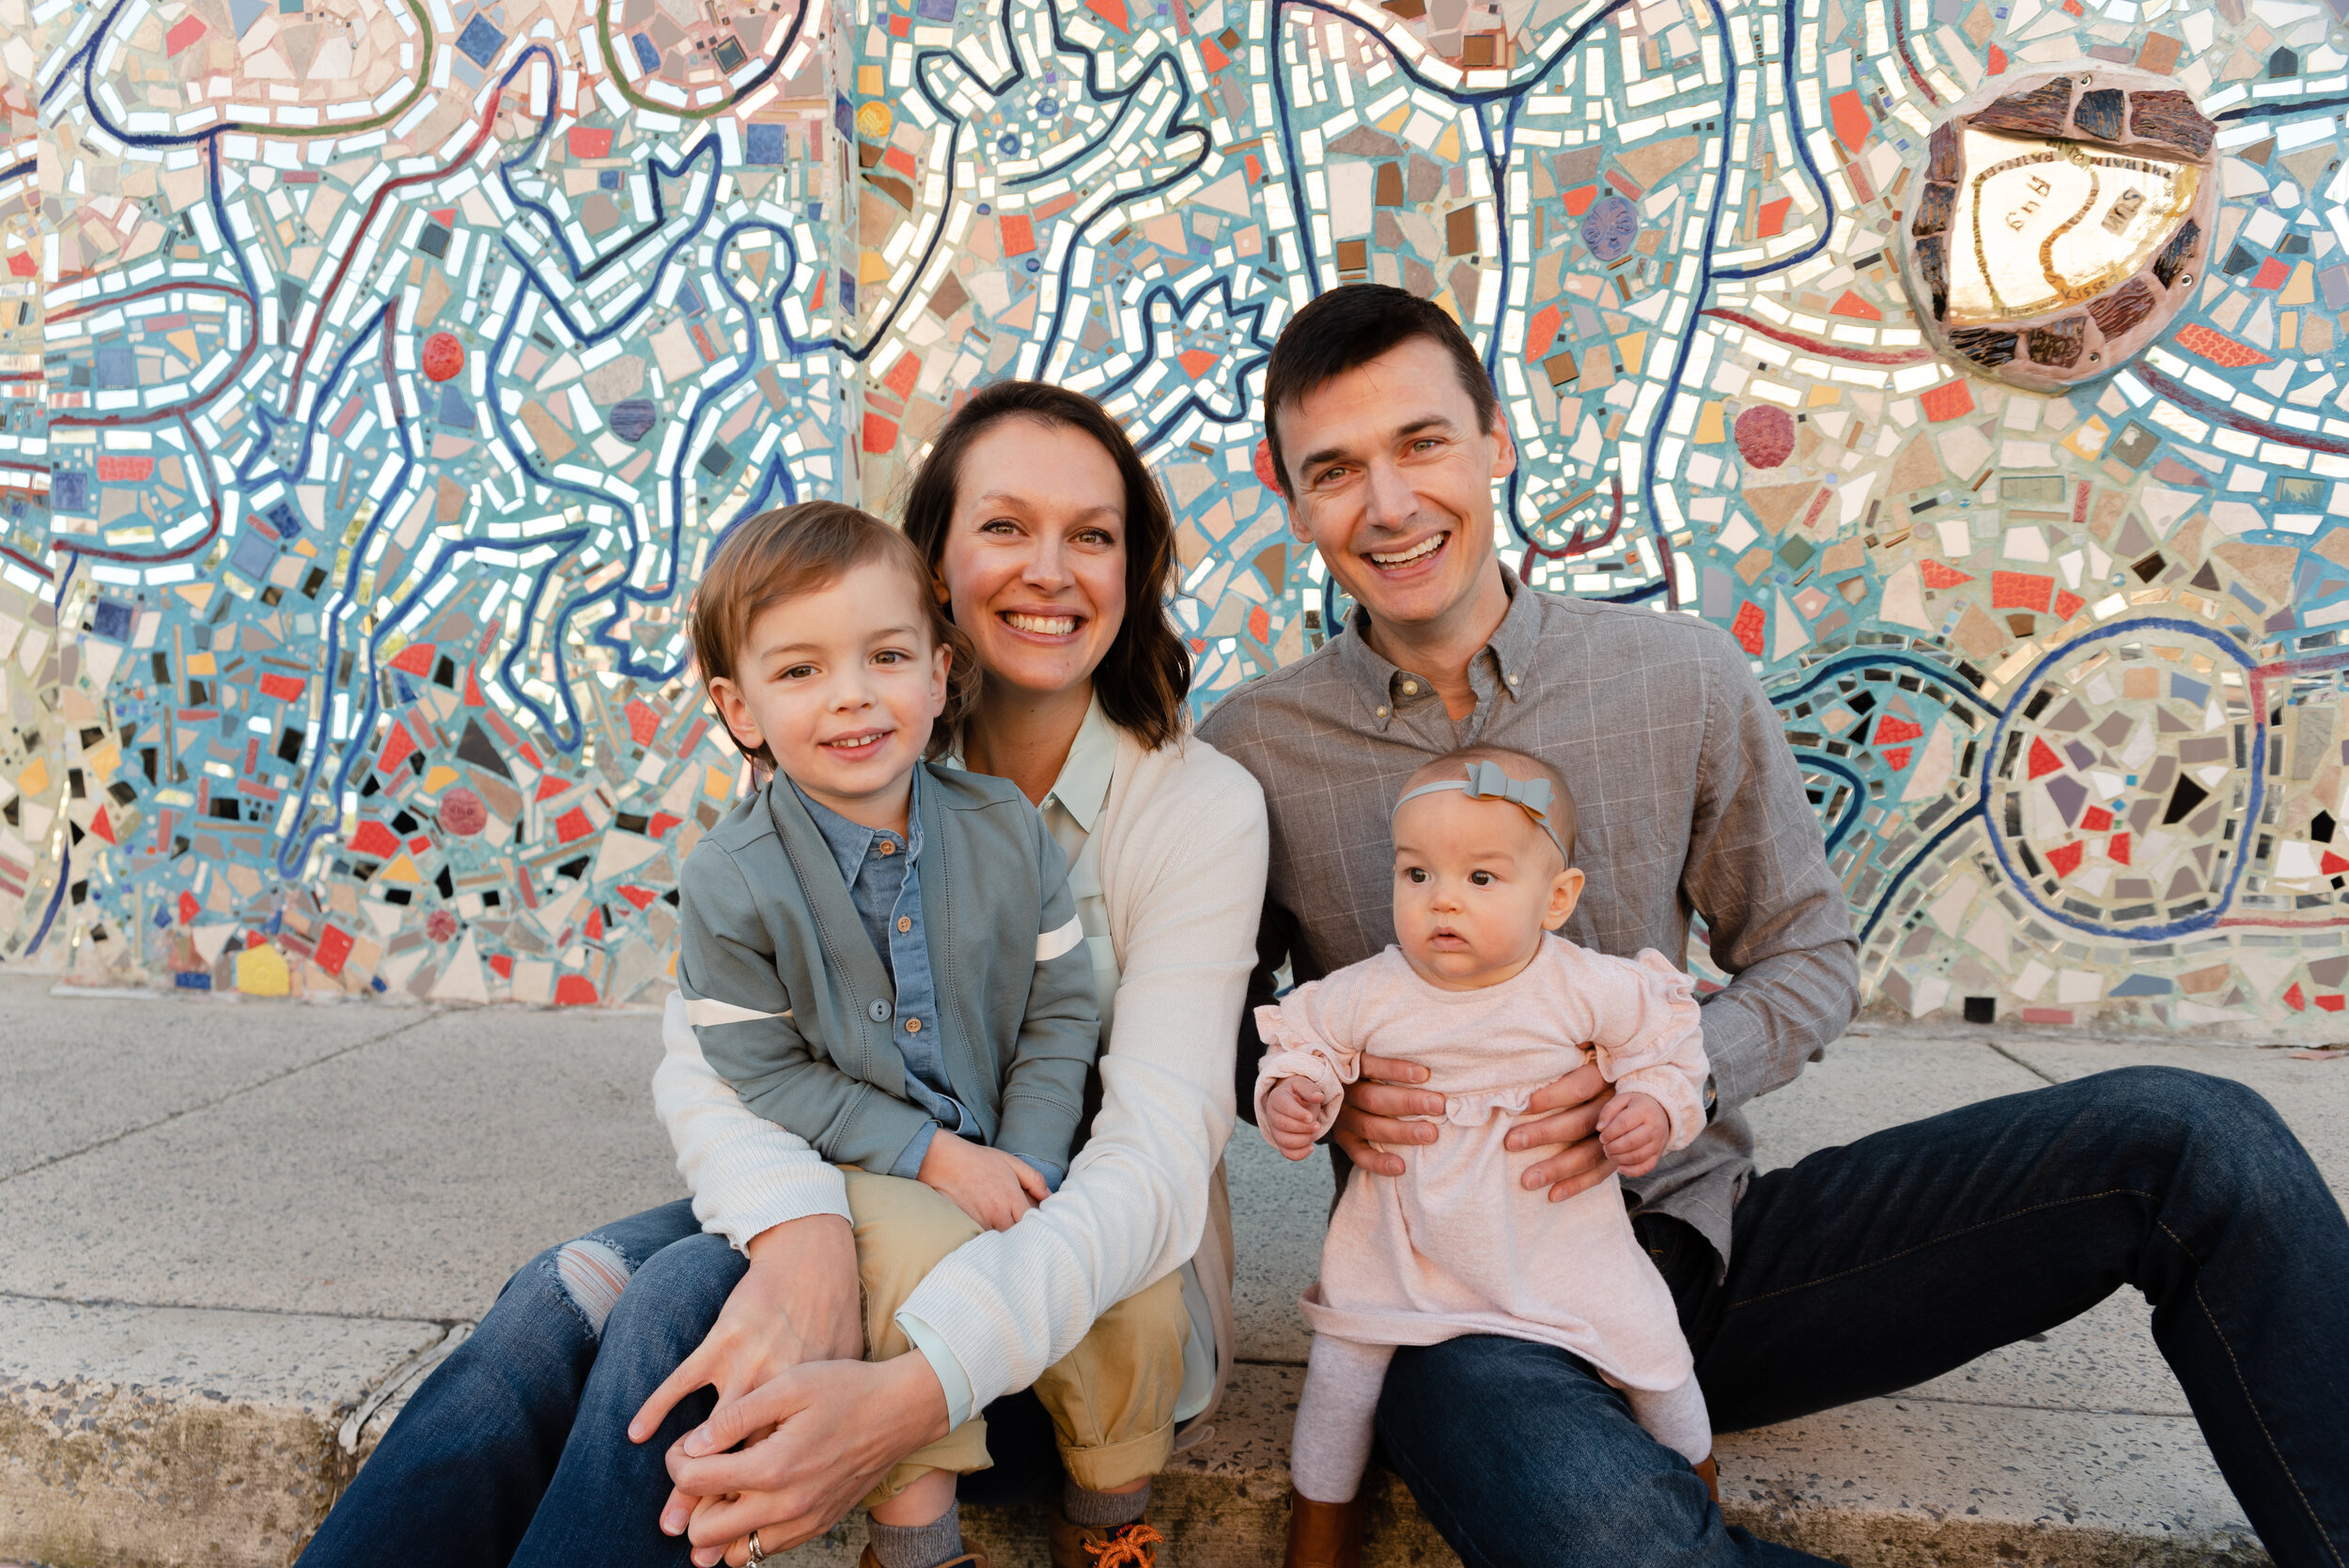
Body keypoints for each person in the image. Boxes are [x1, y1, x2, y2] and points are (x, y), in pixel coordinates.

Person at [1195, 281, 2349, 1567]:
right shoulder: (1251, 750)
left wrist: (1677, 1069)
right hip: (1458, 1307)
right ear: (1289, 494)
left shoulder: (1677, 676)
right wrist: (1316, 1090)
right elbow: (1214, 1024)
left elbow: (1805, 956)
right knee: (1610, 1538)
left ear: (1494, 441)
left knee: (2202, 1140)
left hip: (1710, 1247)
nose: (1391, 505)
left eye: (1420, 444)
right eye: (1336, 469)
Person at [295, 381, 1268, 1568]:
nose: (1051, 569)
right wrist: (802, 1230)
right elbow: (714, 1055)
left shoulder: (1195, 806)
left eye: (1094, 534)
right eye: (1005, 527)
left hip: (1082, 1309)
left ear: (1135, 564)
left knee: (672, 1303)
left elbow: (1159, 1162)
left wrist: (913, 1386)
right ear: (934, 566)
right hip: (879, 1190)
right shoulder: (851, 734)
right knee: (552, 1306)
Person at [677, 499, 1190, 1568]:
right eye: (801, 670)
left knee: (1131, 1285)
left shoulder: (1003, 827)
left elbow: (1062, 1011)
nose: (853, 695)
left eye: (886, 655)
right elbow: (758, 1064)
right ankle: (916, 1543)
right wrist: (930, 1155)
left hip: (1015, 1140)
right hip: (864, 1156)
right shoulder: (729, 880)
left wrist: (1034, 1155)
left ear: (941, 670)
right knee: (913, 1256)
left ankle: (1109, 1517)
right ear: (739, 707)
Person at [1255, 746, 1716, 1567]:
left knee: (1657, 1356)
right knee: (1337, 1382)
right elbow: (1306, 1044)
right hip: (1403, 1247)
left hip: (1560, 1244)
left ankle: (1704, 1505)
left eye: (1480, 879)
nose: (1442, 902)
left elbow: (1667, 1045)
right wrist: (1294, 1097)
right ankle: (1318, 1537)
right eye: (1417, 874)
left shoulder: (1586, 985)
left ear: (1558, 897)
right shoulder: (1372, 989)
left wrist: (1651, 1104)